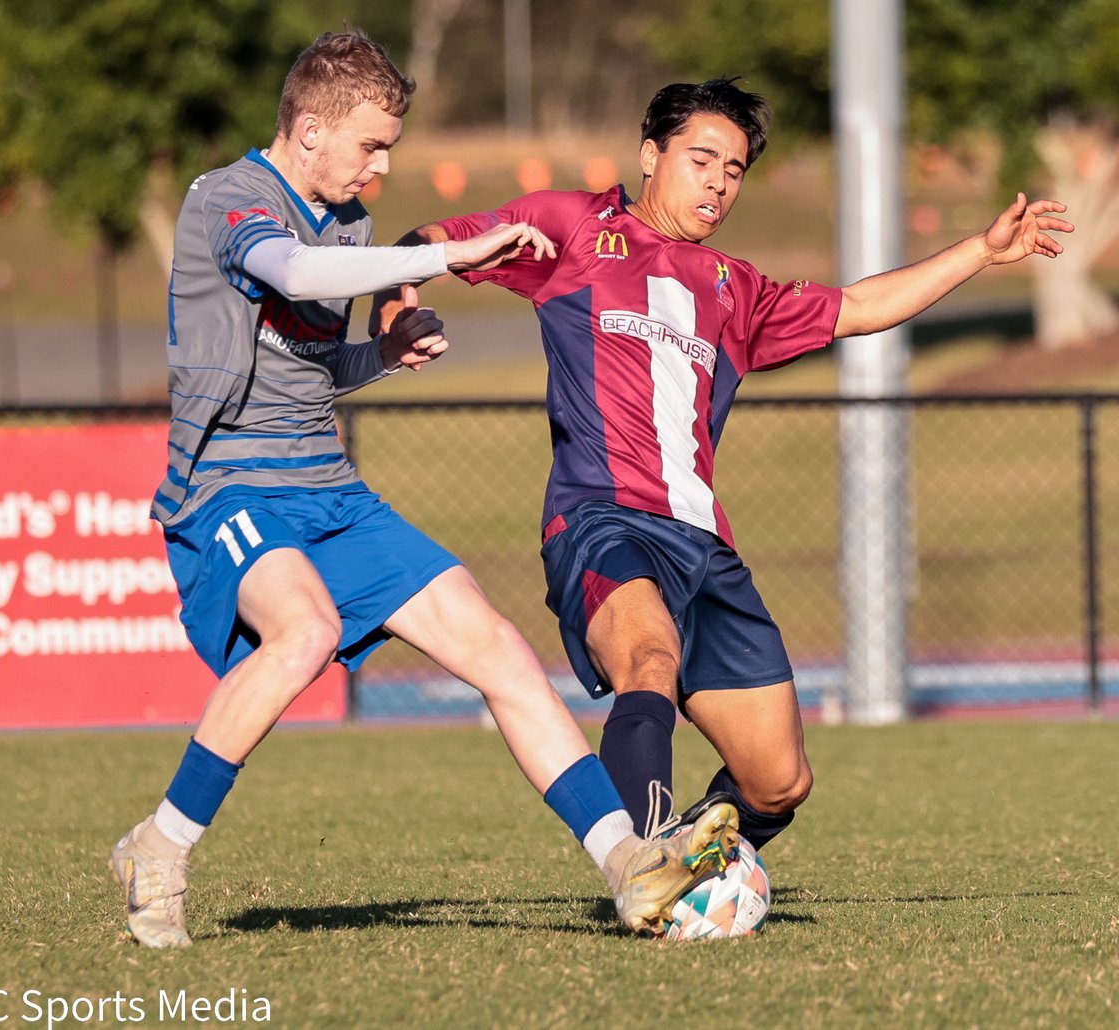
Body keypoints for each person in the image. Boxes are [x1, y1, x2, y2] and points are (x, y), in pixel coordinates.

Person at [111, 33, 741, 950]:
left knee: (495, 645)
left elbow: (304, 367)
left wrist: (379, 357)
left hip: (328, 487)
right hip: (228, 484)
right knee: (308, 631)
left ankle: (627, 864)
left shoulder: (348, 221)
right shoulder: (228, 199)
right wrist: (447, 256)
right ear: (311, 127)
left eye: (390, 148)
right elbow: (291, 272)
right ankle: (158, 848)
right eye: (371, 145)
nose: (382, 166)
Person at [382, 78, 1073, 850]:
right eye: (701, 159)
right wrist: (396, 294)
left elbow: (862, 307)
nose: (717, 182)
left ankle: (693, 863)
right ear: (651, 155)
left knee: (778, 780)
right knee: (649, 659)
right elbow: (432, 238)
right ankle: (637, 868)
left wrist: (981, 250)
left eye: (735, 169)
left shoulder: (735, 289)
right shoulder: (576, 226)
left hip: (704, 547)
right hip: (600, 520)